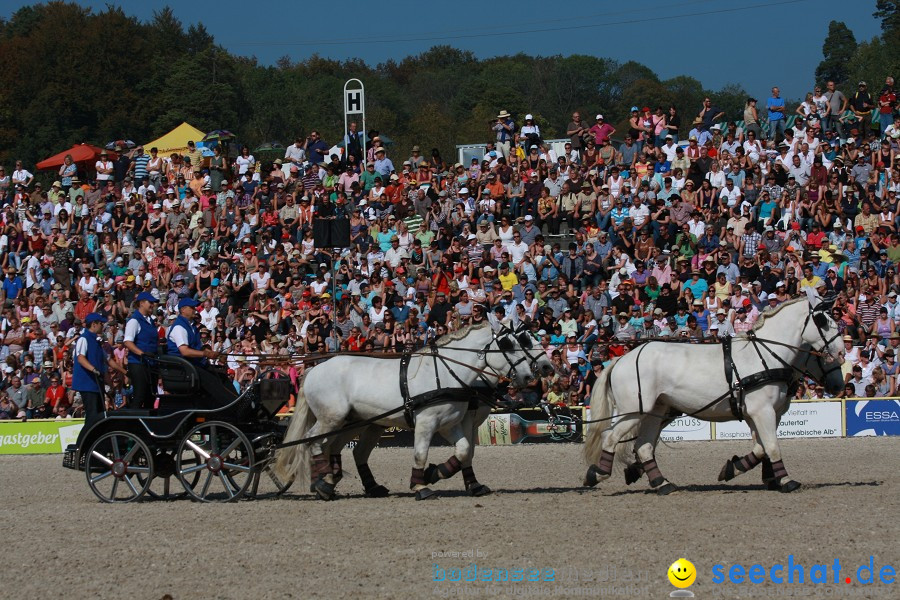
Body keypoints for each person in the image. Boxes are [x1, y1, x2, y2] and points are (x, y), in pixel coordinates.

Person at [166, 297, 237, 407]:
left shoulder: (191, 326)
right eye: (192, 307)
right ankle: (231, 407)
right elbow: (184, 351)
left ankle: (236, 402)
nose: (195, 309)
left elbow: (195, 348)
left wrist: (212, 354)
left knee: (222, 376)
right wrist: (206, 354)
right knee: (213, 381)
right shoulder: (179, 327)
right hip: (184, 368)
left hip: (193, 365)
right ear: (183, 310)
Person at [72, 313, 126, 447]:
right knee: (92, 417)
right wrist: (93, 369)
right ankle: (81, 446)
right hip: (87, 384)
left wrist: (125, 372)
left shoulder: (96, 342)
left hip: (96, 384)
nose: (103, 326)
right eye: (101, 323)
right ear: (94, 324)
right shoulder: (84, 339)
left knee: (99, 416)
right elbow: (80, 358)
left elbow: (108, 360)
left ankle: (96, 445)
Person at [123, 291, 160, 409]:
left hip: (150, 363)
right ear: (142, 303)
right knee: (140, 395)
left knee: (151, 396)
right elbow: (128, 342)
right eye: (150, 302)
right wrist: (142, 354)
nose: (152, 305)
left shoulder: (150, 321)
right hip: (138, 363)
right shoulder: (134, 321)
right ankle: (132, 424)